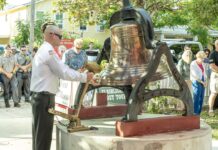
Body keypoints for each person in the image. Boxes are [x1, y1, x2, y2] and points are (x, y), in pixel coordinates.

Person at [30, 22, 94, 150]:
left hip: (40, 97)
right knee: (43, 138)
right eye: (60, 36)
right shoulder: (48, 51)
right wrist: (84, 77)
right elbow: (63, 71)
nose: (61, 39)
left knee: (39, 136)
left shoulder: (44, 49)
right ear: (52, 35)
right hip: (44, 98)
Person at [190, 51, 207, 115]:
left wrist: (205, 81)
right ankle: (194, 112)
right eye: (202, 58)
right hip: (196, 81)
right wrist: (202, 82)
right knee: (196, 96)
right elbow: (194, 75)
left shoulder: (203, 64)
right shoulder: (193, 63)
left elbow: (204, 73)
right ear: (198, 57)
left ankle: (198, 113)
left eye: (204, 58)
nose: (203, 60)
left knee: (201, 97)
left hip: (202, 80)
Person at [208, 40, 218, 117]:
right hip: (216, 75)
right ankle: (210, 109)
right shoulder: (212, 54)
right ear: (216, 45)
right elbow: (212, 66)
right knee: (214, 93)